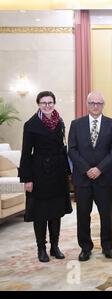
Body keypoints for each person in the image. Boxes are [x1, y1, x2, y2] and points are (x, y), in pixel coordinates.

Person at [19, 91, 72, 262]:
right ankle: (41, 248)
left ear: (54, 103)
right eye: (44, 103)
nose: (47, 106)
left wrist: (68, 172)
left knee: (56, 212)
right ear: (38, 104)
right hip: (40, 174)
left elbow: (63, 148)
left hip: (58, 173)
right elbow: (26, 153)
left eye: (50, 102)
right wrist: (27, 179)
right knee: (40, 214)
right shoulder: (31, 124)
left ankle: (55, 246)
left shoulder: (60, 121)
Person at [68, 91, 112, 261]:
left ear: (103, 105)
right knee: (83, 214)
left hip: (105, 178)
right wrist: (86, 169)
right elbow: (72, 150)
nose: (95, 106)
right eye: (92, 103)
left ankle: (107, 246)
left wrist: (99, 169)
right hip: (83, 179)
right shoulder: (76, 124)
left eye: (99, 103)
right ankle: (85, 247)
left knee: (107, 215)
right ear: (87, 104)